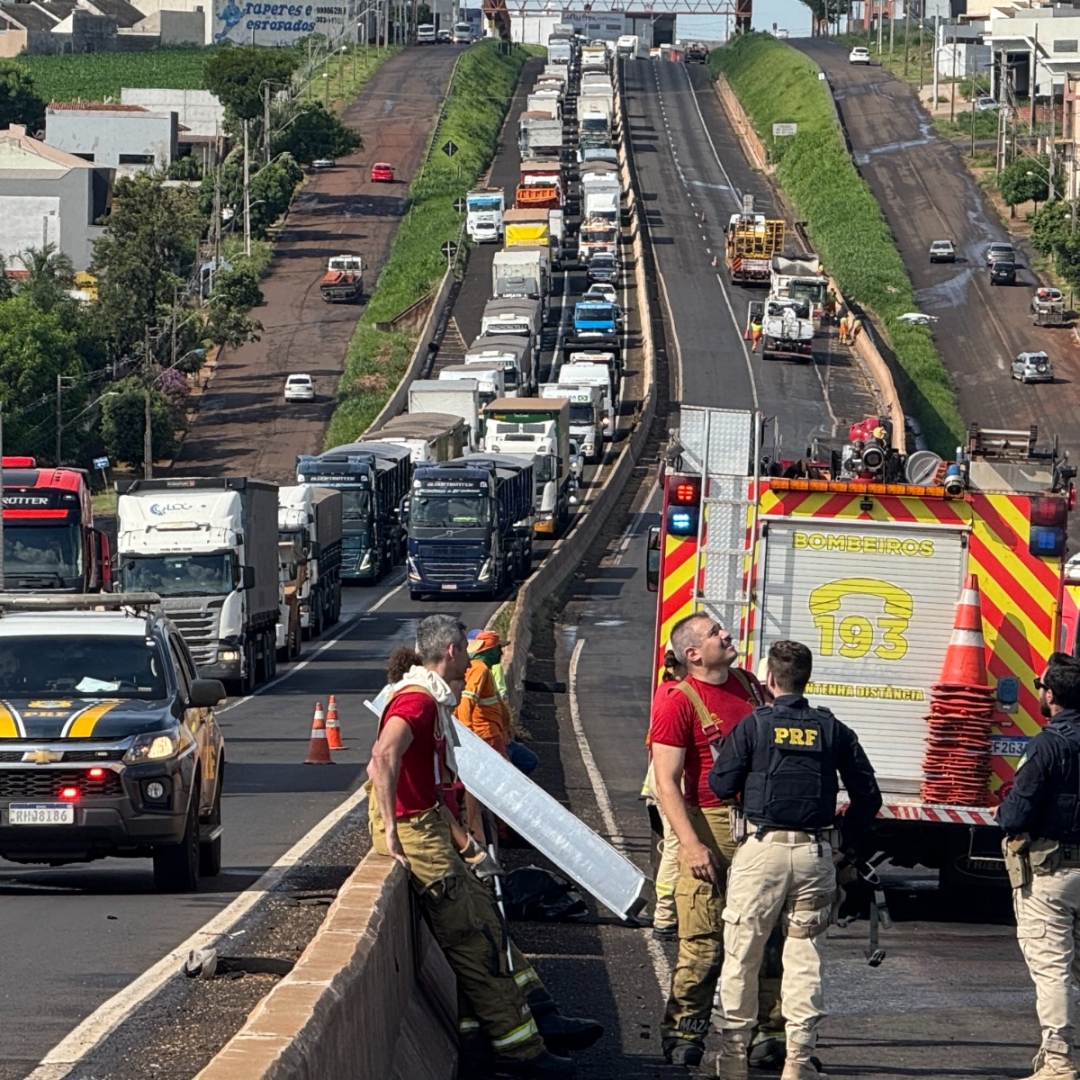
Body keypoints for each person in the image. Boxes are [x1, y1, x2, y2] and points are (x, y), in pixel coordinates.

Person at [366, 614, 602, 1079]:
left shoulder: (429, 699)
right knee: (472, 940)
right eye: (466, 651)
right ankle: (520, 1053)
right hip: (415, 831)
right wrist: (391, 830)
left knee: (487, 923)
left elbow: (432, 788)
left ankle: (534, 1012)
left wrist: (468, 845)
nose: (471, 660)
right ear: (451, 651)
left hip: (430, 825)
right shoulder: (417, 702)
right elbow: (383, 758)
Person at [708, 640, 882, 1080]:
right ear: (807, 677)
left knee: (742, 957)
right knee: (806, 961)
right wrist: (844, 842)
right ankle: (798, 1063)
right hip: (814, 855)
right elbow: (868, 797)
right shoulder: (832, 729)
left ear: (769, 678)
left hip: (760, 852)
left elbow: (720, 782)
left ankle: (732, 1061)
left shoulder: (754, 725)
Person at [650, 611, 783, 1068]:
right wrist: (691, 845)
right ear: (692, 654)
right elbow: (667, 782)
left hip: (761, 826)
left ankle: (769, 1034)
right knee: (704, 942)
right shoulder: (677, 701)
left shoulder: (750, 686)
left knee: (768, 936)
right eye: (715, 634)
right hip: (711, 826)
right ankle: (684, 1031)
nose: (727, 635)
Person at [999, 653, 1080, 1080]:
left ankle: (1059, 1062)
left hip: (1052, 874)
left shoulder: (1047, 745)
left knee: (1054, 972)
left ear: (1051, 695)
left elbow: (1015, 814)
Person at [644, 642, 688, 941]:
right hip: (672, 778)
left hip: (659, 776)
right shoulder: (678, 694)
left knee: (674, 846)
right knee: (676, 846)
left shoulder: (666, 689)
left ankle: (668, 912)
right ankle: (665, 916)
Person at [466, 627, 539, 776]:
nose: (501, 653)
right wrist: (468, 738)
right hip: (487, 736)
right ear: (488, 650)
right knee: (507, 775)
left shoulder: (484, 669)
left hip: (498, 735)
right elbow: (466, 701)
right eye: (498, 648)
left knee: (527, 761)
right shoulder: (479, 669)